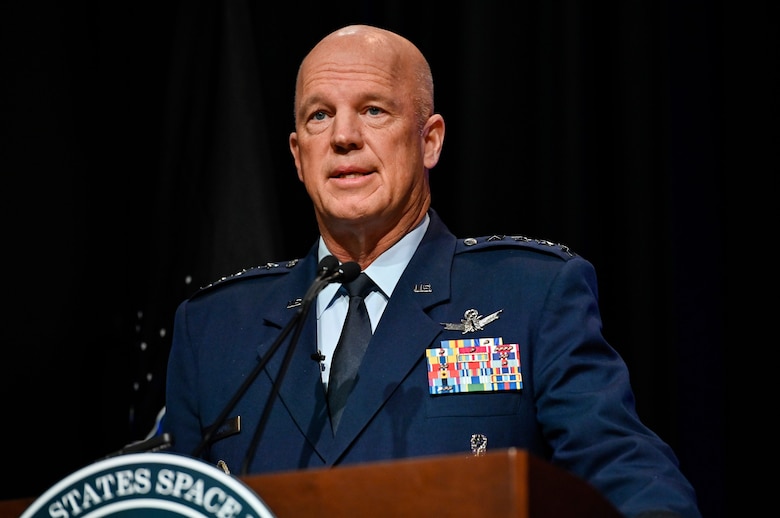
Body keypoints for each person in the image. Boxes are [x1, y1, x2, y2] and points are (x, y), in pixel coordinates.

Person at [163, 24, 701, 518]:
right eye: (318, 115)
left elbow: (635, 484)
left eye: (373, 110)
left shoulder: (531, 297)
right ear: (299, 155)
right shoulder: (212, 331)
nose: (343, 136)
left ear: (430, 140)